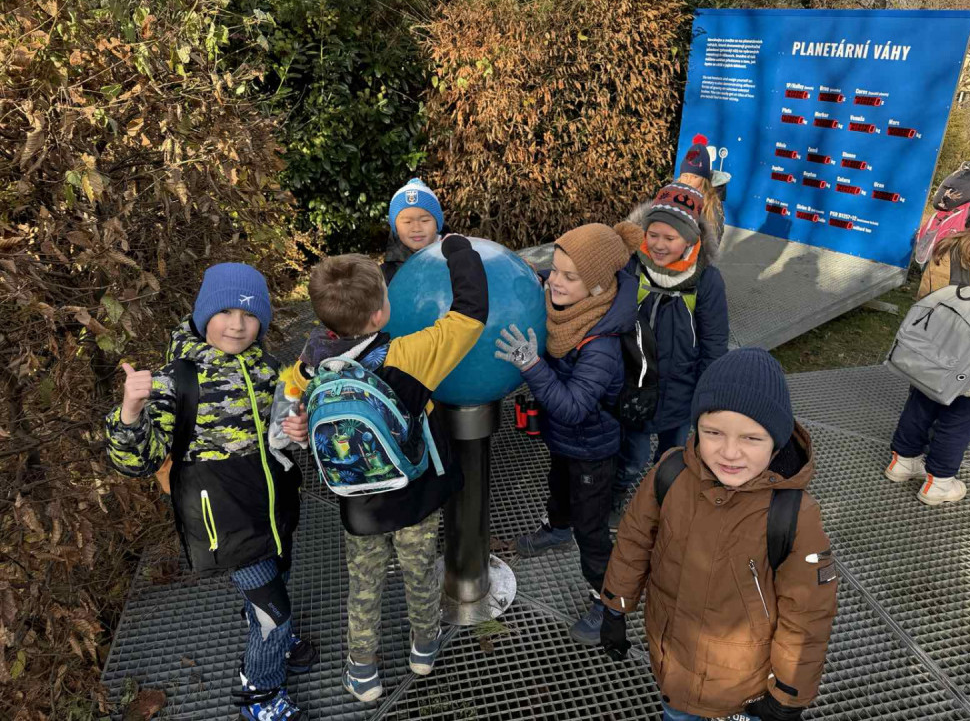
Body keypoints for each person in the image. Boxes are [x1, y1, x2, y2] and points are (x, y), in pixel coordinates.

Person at [105, 263, 315, 721]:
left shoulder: (268, 368)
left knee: (278, 580)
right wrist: (130, 412)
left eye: (249, 314)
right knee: (273, 613)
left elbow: (281, 430)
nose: (237, 325)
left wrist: (297, 428)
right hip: (224, 518)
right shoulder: (175, 380)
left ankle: (276, 637)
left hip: (275, 507)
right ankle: (260, 691)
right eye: (224, 312)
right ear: (203, 315)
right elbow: (135, 462)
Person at [600, 348, 838, 721]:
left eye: (751, 439)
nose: (729, 452)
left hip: (743, 687)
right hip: (672, 667)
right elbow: (634, 540)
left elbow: (807, 612)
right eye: (713, 433)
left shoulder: (793, 514)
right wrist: (615, 604)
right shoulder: (671, 474)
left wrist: (789, 693)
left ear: (776, 442)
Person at [298, 236, 488, 702]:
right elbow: (471, 313)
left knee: (364, 583)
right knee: (419, 573)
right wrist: (459, 251)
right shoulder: (409, 356)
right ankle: (423, 648)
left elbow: (302, 411)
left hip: (358, 502)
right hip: (414, 494)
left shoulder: (311, 364)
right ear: (381, 314)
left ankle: (362, 670)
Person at [494, 222, 643, 645]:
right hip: (564, 441)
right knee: (558, 484)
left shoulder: (601, 344)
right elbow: (549, 276)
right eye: (554, 269)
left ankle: (608, 603)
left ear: (595, 287)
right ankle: (557, 527)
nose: (555, 281)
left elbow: (575, 408)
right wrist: (528, 273)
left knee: (591, 531)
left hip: (592, 449)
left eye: (568, 276)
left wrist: (531, 365)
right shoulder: (573, 305)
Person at [610, 183, 730, 524]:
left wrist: (707, 398)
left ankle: (661, 501)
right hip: (634, 384)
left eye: (670, 238)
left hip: (681, 389)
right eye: (653, 235)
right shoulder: (630, 266)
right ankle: (617, 494)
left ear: (690, 240)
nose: (659, 245)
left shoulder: (707, 281)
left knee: (671, 457)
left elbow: (714, 344)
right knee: (632, 457)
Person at [885, 186, 970, 505]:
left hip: (933, 352)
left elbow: (925, 296)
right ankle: (939, 482)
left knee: (920, 405)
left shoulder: (951, 246)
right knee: (959, 422)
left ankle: (902, 462)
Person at [381, 177, 449, 284]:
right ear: (395, 228)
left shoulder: (455, 259)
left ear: (437, 224)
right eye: (407, 222)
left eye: (425, 220)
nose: (416, 228)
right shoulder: (385, 275)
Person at [675, 134, 726, 243]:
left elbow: (711, 244)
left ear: (704, 180)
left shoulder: (711, 206)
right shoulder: (671, 195)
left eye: (695, 177)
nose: (688, 181)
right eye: (685, 175)